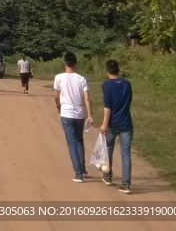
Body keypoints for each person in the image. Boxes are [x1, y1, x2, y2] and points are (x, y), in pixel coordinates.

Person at [54, 51, 94, 182]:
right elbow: (87, 98)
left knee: (72, 143)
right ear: (76, 63)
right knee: (79, 140)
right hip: (79, 114)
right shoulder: (81, 79)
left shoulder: (59, 77)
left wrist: (58, 106)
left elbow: (56, 95)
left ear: (64, 62)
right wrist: (90, 115)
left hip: (66, 113)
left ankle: (78, 173)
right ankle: (82, 168)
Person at [100, 59, 133, 193]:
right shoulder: (127, 84)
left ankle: (107, 176)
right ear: (118, 69)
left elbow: (107, 106)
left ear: (107, 70)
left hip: (113, 123)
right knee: (126, 154)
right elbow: (129, 100)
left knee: (108, 149)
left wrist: (104, 124)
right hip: (126, 122)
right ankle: (126, 184)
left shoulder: (106, 85)